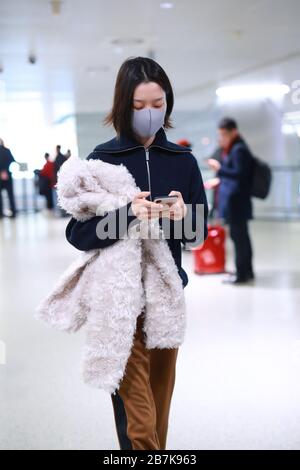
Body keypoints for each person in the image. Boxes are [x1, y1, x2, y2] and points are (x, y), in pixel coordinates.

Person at [65, 56, 208, 450]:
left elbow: (196, 235)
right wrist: (129, 215)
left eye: (158, 104)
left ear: (169, 102)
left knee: (159, 410)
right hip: (118, 302)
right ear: (123, 104)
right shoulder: (102, 160)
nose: (149, 114)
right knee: (139, 423)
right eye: (140, 106)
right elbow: (78, 234)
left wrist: (181, 217)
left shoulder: (183, 162)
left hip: (166, 298)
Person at [205, 117, 255, 285]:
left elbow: (239, 175)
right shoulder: (235, 148)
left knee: (239, 238)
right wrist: (219, 179)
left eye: (225, 134)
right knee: (241, 237)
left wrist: (219, 168)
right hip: (238, 202)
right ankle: (246, 271)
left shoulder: (238, 149)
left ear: (234, 132)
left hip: (237, 203)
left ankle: (242, 274)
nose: (222, 138)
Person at [0, 138, 18, 219]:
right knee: (10, 195)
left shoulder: (7, 150)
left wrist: (2, 171)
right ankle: (13, 212)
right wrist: (5, 170)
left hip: (5, 174)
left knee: (9, 195)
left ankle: (1, 213)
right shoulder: (7, 150)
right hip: (7, 175)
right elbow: (12, 160)